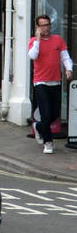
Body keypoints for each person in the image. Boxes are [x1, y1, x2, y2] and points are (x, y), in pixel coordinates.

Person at [29, 14, 73, 154]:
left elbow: (65, 57)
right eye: (42, 25)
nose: (46, 28)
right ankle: (48, 143)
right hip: (40, 82)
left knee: (54, 114)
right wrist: (37, 39)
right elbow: (32, 56)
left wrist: (69, 69)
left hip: (55, 82)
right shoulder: (34, 41)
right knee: (46, 114)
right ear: (38, 27)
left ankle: (39, 127)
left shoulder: (58, 40)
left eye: (47, 24)